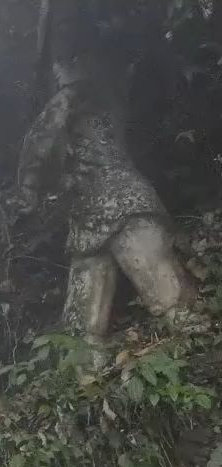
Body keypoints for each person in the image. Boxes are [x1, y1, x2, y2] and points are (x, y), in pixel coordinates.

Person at [19, 58, 196, 340]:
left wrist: (30, 187)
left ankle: (198, 355)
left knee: (163, 292)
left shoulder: (68, 101)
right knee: (87, 320)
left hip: (113, 202)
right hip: (115, 205)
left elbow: (42, 144)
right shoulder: (115, 95)